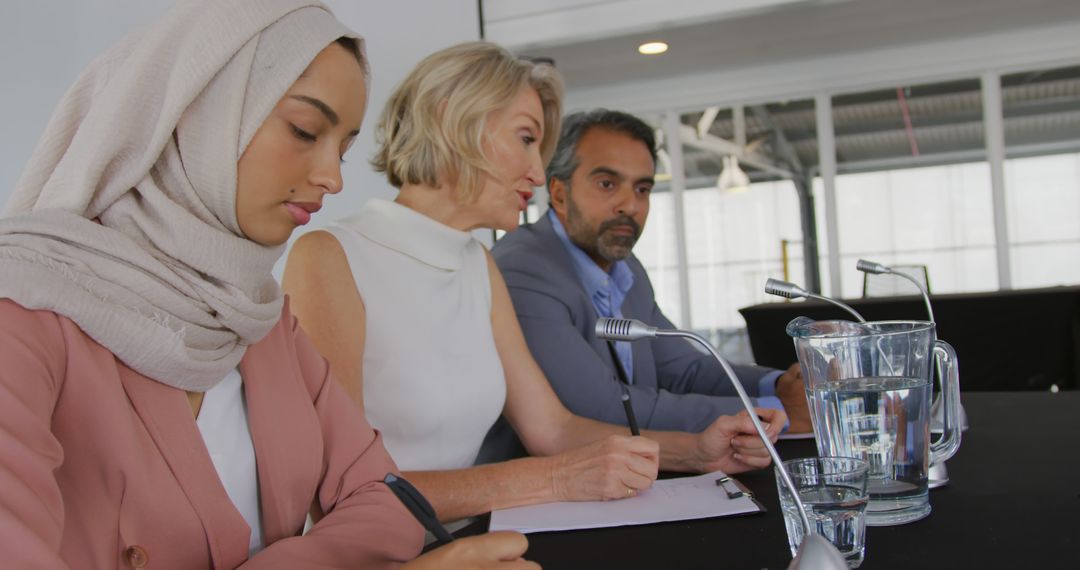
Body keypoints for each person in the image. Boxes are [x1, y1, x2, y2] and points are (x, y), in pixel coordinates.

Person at [0, 1, 534, 568]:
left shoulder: (261, 321)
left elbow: (385, 499)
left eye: (344, 149)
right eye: (305, 130)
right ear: (191, 113)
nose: (331, 177)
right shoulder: (22, 315)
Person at [283, 42, 785, 526]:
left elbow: (554, 428)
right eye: (526, 139)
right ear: (450, 117)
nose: (540, 174)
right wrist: (558, 479)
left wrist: (694, 452)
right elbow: (342, 494)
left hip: (485, 540)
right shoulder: (328, 258)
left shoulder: (478, 263)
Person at [489, 109, 812, 442]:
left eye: (642, 189)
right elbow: (601, 410)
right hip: (544, 488)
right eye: (607, 184)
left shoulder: (626, 269)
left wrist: (778, 385)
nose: (629, 205)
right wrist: (775, 411)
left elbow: (685, 370)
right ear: (558, 193)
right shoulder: (524, 270)